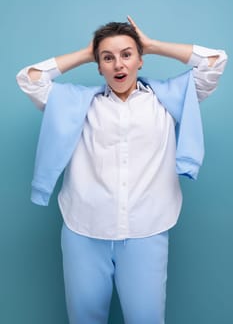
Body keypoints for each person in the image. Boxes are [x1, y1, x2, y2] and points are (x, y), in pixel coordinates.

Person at [16, 16, 227, 324]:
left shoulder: (167, 100)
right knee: (85, 318)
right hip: (83, 231)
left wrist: (152, 45)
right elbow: (29, 78)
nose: (118, 65)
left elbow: (215, 61)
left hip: (147, 231)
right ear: (98, 66)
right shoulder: (77, 104)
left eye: (127, 54)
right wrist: (86, 53)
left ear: (140, 60)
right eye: (107, 58)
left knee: (146, 319)